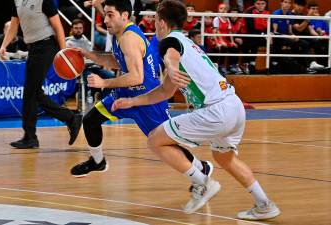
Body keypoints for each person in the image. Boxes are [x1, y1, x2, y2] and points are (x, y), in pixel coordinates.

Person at [112, 0, 281, 220]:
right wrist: (133, 102)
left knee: (155, 140)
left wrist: (171, 68)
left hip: (215, 111)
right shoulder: (188, 42)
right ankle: (264, 203)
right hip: (234, 106)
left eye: (155, 21)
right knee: (224, 158)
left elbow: (171, 55)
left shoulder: (170, 41)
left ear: (161, 22)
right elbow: (164, 92)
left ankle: (203, 182)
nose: (154, 25)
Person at [70, 0, 214, 180]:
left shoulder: (129, 38)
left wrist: (104, 83)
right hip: (127, 93)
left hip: (148, 98)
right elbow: (117, 62)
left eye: (109, 15)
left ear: (124, 16)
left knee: (165, 143)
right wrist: (88, 55)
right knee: (90, 120)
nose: (105, 20)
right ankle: (98, 161)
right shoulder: (118, 33)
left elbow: (136, 77)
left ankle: (202, 168)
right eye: (104, 15)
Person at [0, 0, 82, 149]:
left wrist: (63, 53)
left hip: (46, 46)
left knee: (32, 92)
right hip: (33, 49)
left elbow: (58, 27)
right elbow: (14, 25)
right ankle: (69, 119)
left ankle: (32, 136)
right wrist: (4, 45)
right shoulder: (17, 2)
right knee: (33, 93)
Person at [66, 19, 115, 103]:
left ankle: (102, 99)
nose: (78, 30)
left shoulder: (87, 42)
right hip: (79, 70)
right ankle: (82, 99)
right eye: (76, 28)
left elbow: (92, 58)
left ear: (83, 29)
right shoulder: (67, 43)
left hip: (91, 67)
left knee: (111, 75)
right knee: (89, 76)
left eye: (80, 28)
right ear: (72, 29)